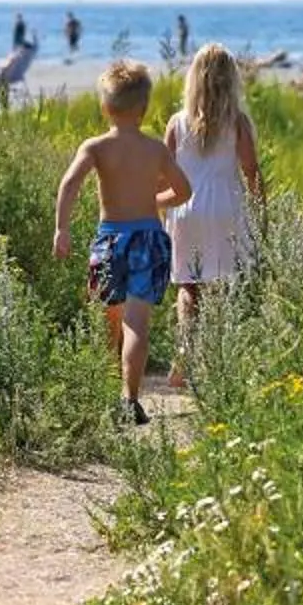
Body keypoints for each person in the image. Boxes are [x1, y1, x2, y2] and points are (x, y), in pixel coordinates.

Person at [53, 59, 191, 427]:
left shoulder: (96, 147)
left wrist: (62, 228)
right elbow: (183, 190)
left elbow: (69, 184)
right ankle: (130, 399)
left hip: (111, 240)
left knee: (108, 322)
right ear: (144, 108)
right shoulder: (155, 150)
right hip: (148, 239)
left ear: (105, 107)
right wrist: (154, 200)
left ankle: (106, 392)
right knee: (137, 324)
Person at [162, 44, 263, 392]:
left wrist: (155, 205)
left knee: (188, 286)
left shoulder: (177, 122)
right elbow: (251, 172)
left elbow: (165, 173)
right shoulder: (238, 122)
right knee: (220, 287)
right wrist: (262, 214)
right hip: (225, 209)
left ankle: (183, 358)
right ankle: (215, 363)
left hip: (185, 210)